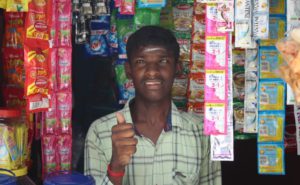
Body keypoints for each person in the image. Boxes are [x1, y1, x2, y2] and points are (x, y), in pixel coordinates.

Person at [84, 25, 222, 185]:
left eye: (163, 61)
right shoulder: (100, 133)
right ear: (129, 70)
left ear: (177, 68)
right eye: (141, 62)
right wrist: (116, 168)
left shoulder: (201, 132)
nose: (152, 71)